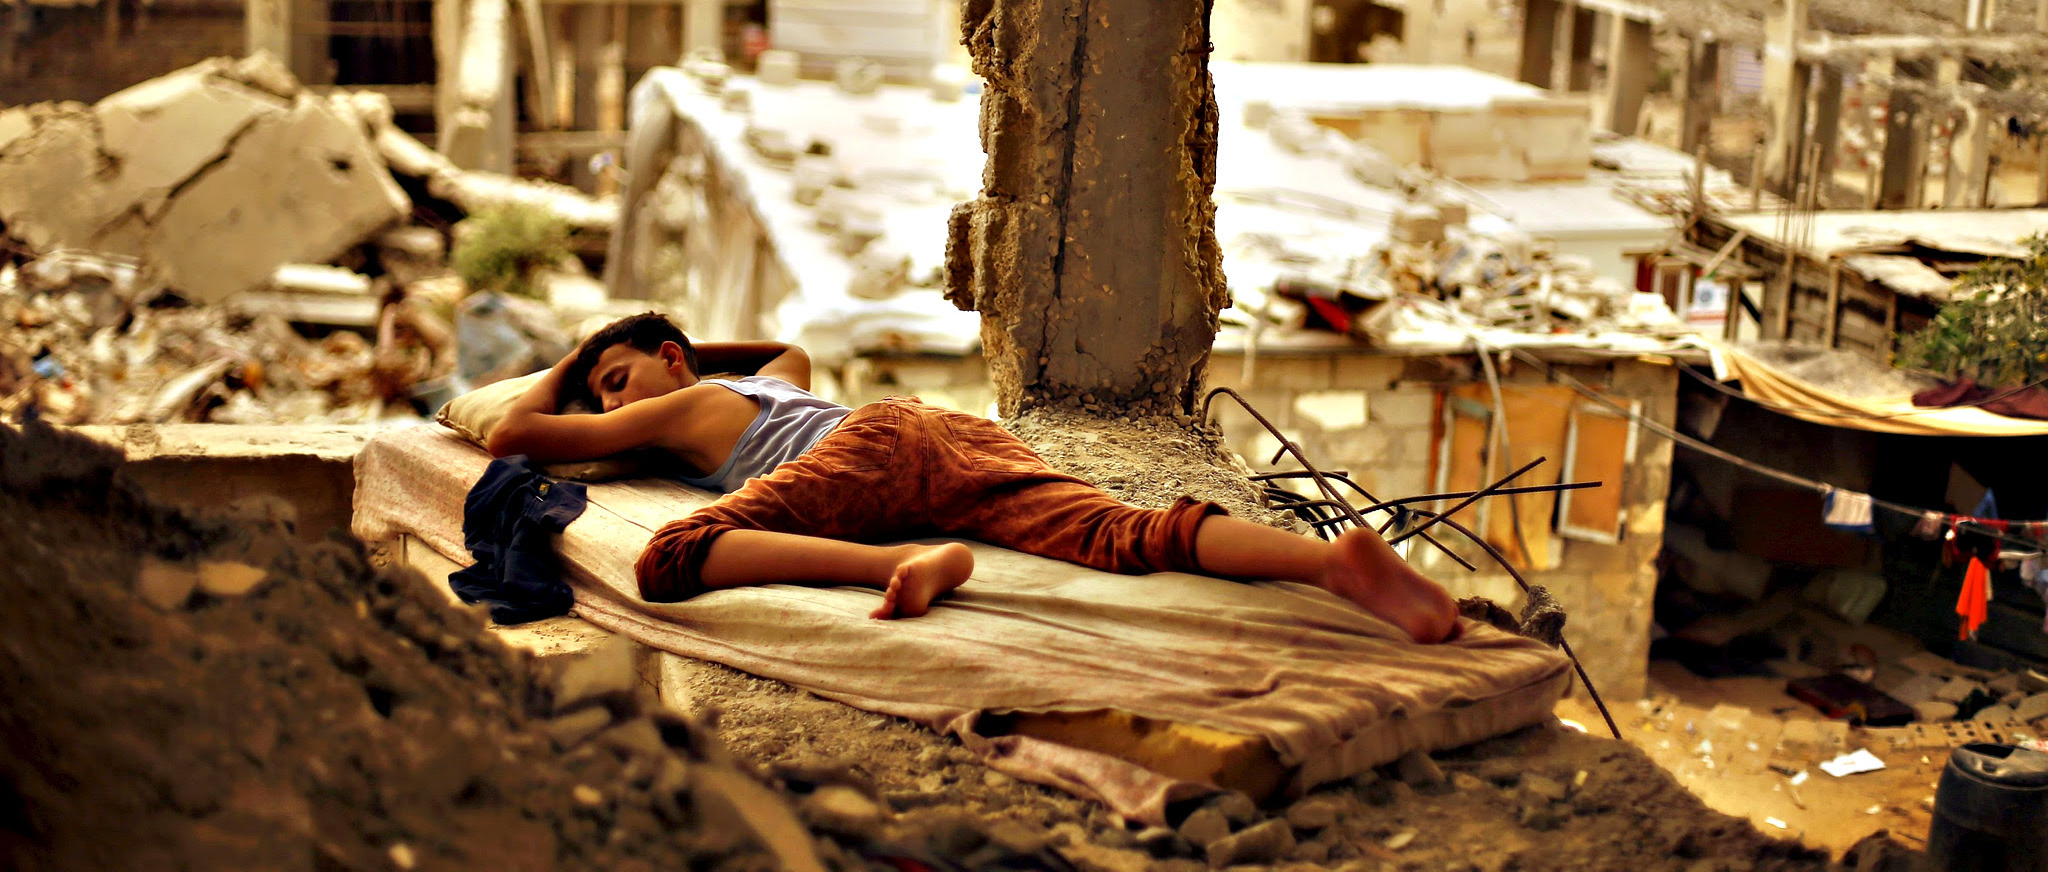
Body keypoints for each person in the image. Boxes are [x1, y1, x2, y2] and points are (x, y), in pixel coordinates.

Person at [489, 313, 1460, 640]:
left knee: (672, 555)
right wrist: (663, 350)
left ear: (669, 357)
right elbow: (784, 342)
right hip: (939, 429)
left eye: (618, 383)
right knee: (1114, 530)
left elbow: (514, 436)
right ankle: (1331, 564)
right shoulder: (773, 378)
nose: (612, 410)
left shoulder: (685, 404)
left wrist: (573, 364)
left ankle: (900, 565)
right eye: (602, 395)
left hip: (867, 458)